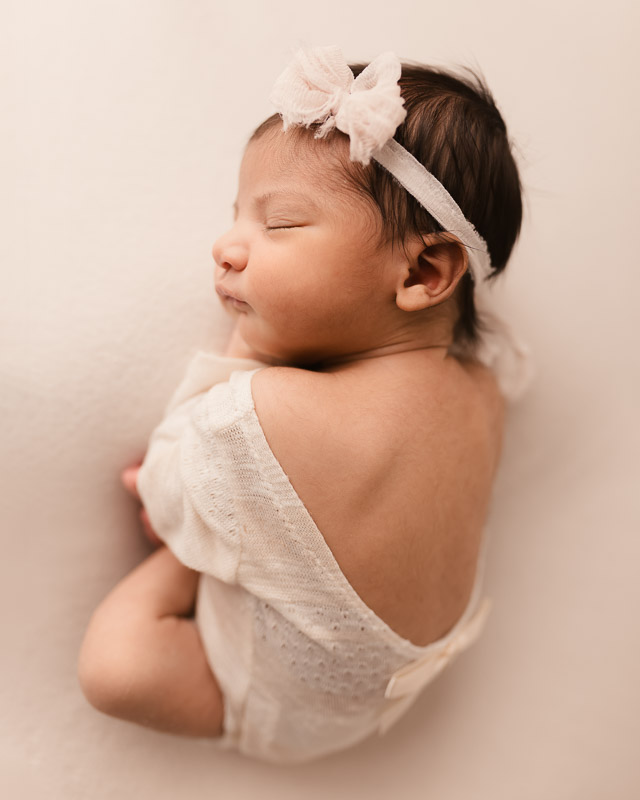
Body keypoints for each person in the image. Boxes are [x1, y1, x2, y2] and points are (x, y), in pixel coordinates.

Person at [78, 46, 530, 764]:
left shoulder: (262, 412)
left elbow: (162, 484)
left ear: (422, 270)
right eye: (236, 217)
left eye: (279, 224)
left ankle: (217, 548)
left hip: (281, 705)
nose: (226, 247)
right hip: (402, 686)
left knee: (114, 669)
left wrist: (251, 354)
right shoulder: (487, 394)